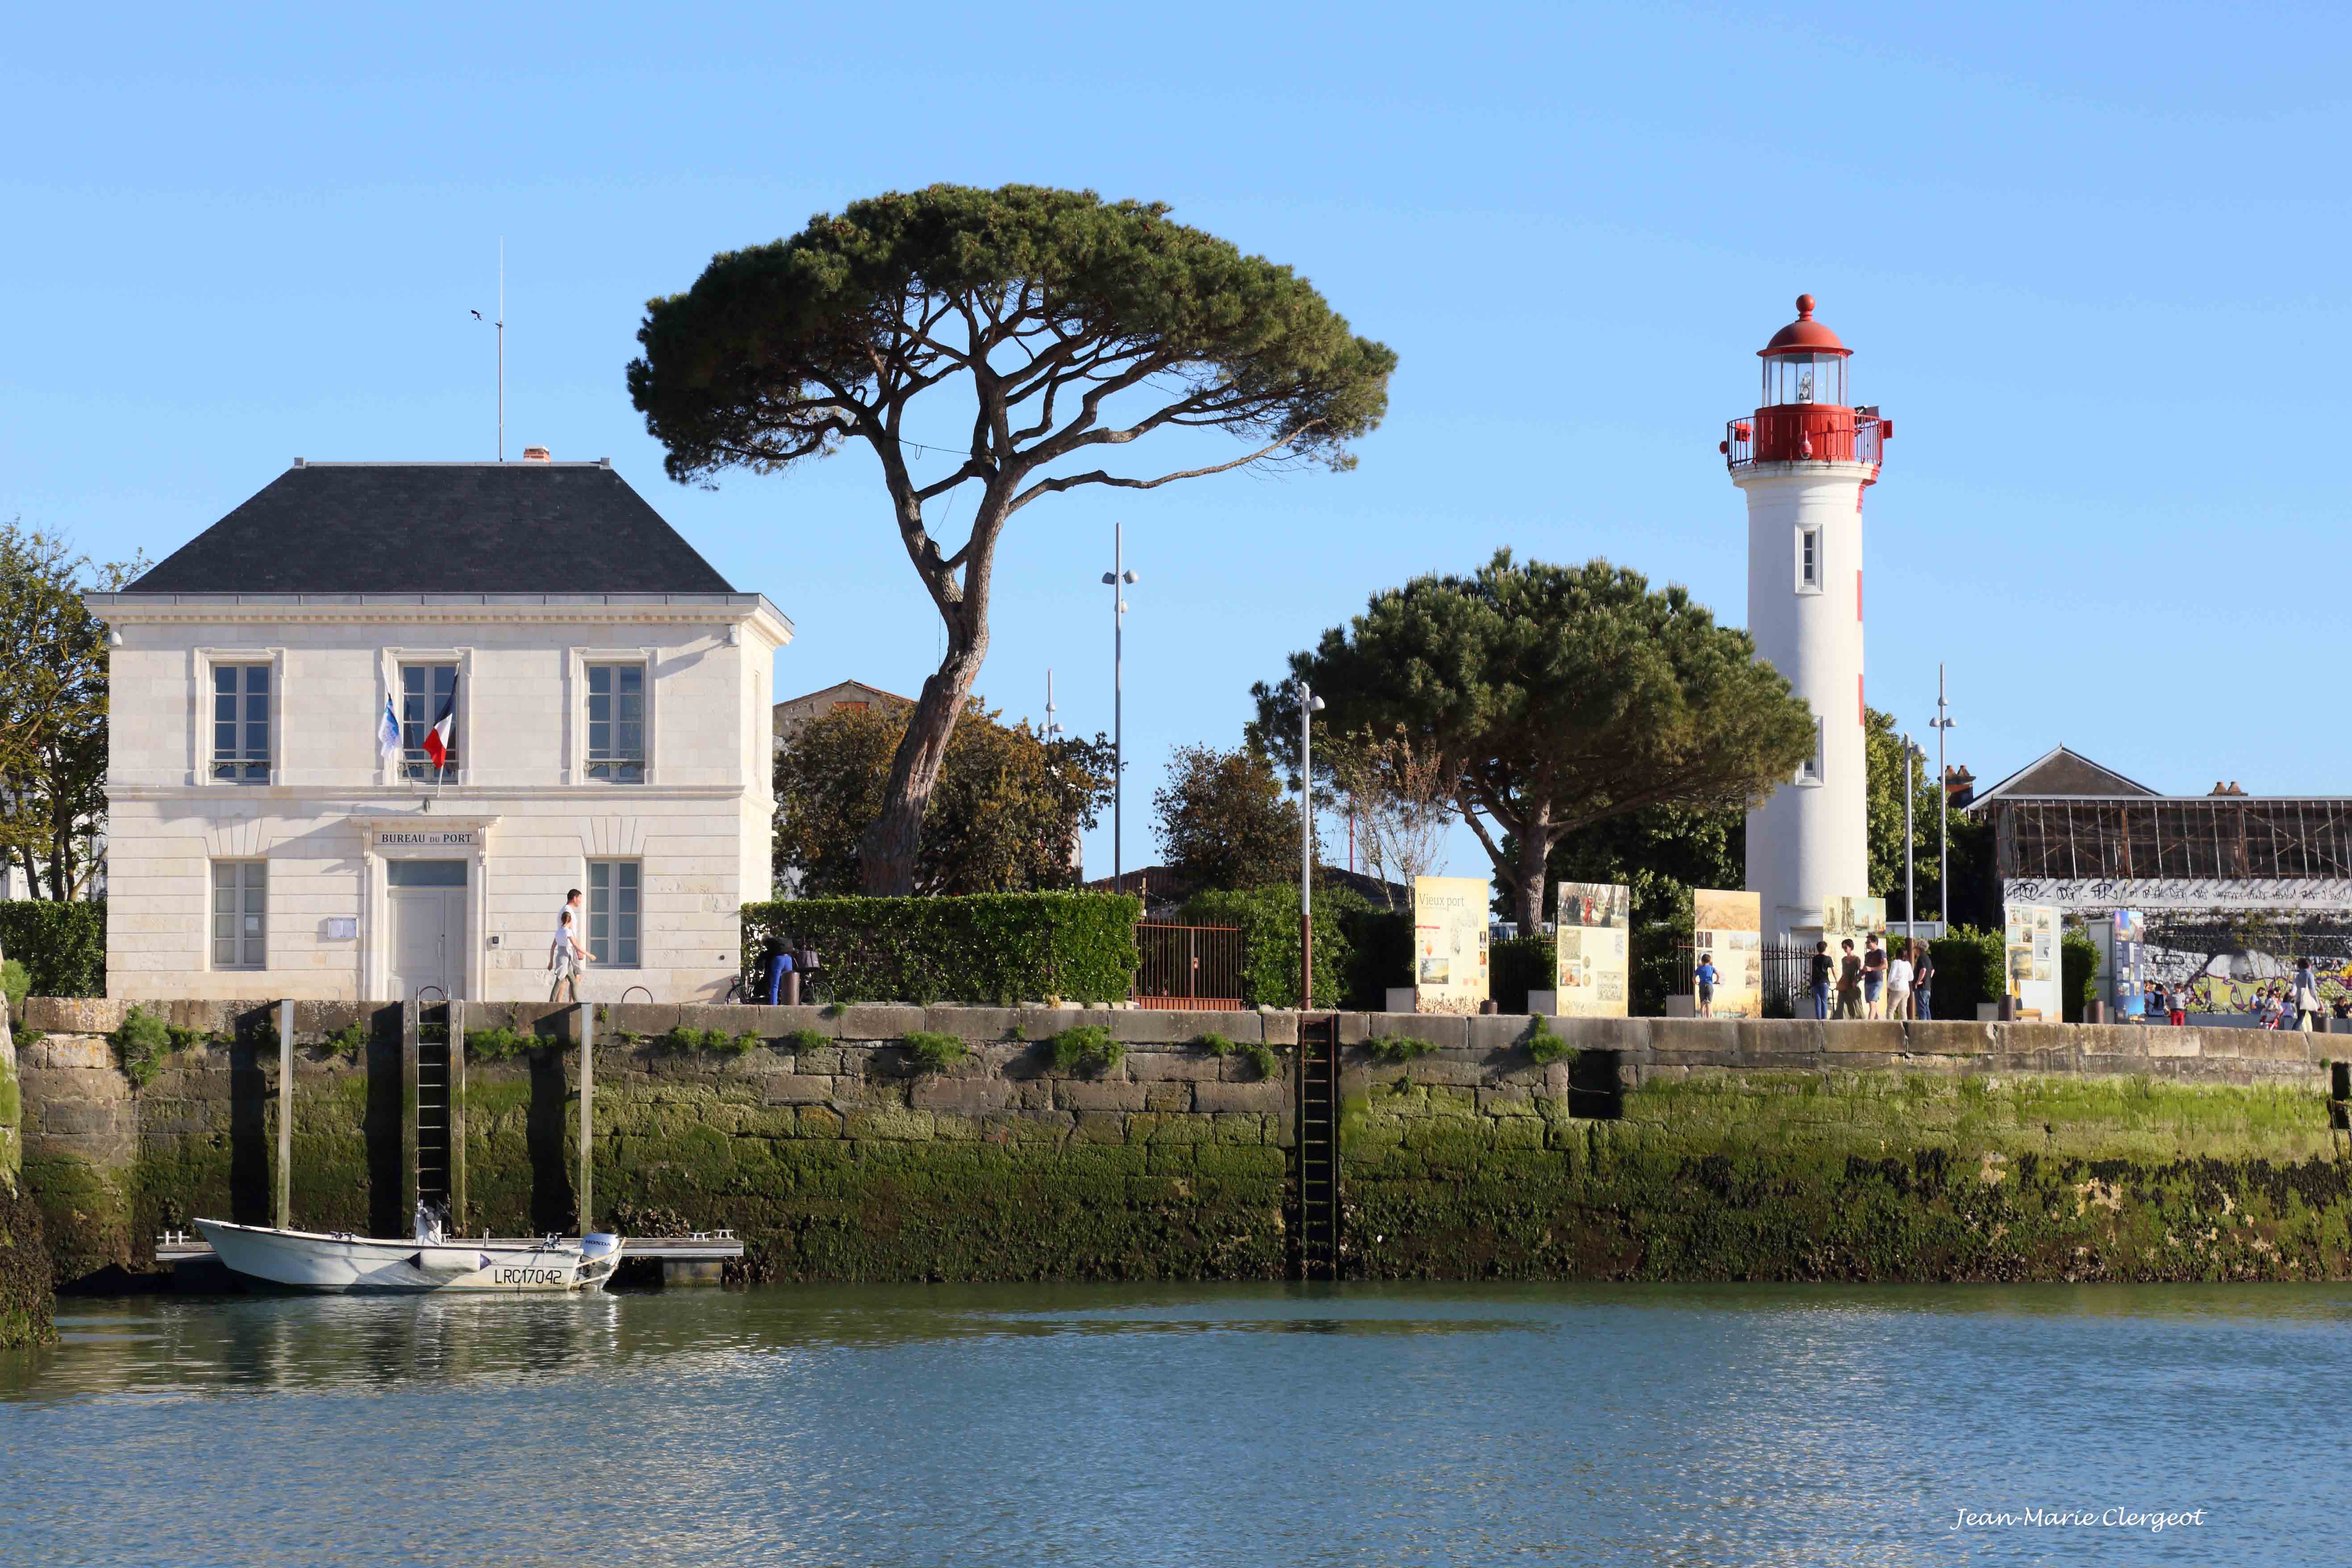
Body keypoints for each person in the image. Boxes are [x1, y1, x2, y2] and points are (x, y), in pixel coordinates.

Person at [549, 893, 591, 1003]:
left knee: (569, 979)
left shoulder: (560, 929)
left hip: (566, 954)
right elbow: (573, 942)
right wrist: (586, 953)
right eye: (580, 898)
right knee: (565, 979)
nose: (581, 901)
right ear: (575, 898)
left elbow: (553, 947)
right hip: (568, 952)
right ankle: (561, 1003)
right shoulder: (567, 914)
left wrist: (551, 962)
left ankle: (568, 1002)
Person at [1885, 939, 1914, 1021]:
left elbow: (1891, 976)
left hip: (1897, 989)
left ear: (1897, 954)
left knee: (1890, 1010)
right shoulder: (1908, 964)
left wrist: (1888, 986)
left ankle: (1891, 1029)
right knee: (1903, 1011)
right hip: (1906, 990)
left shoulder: (1896, 962)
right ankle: (1906, 1029)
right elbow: (1911, 978)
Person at [1835, 939, 1864, 1020]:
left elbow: (1861, 971)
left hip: (1853, 984)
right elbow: (1843, 972)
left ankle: (1856, 1022)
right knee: (1841, 1005)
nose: (1844, 949)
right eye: (1843, 947)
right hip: (1844, 984)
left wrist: (1857, 980)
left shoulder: (1857, 959)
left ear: (1851, 947)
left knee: (1855, 1006)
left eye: (1846, 947)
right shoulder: (1843, 960)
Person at [2294, 958, 2323, 1033]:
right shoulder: (2310, 975)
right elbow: (2312, 989)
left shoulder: (2297, 976)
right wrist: (2317, 1003)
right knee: (2315, 1018)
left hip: (2299, 999)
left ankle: (2293, 1031)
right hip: (2309, 999)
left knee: (2300, 1019)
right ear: (2309, 966)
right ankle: (2316, 1035)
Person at [1861, 935, 1887, 1019]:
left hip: (1877, 981)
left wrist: (1871, 969)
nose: (1867, 944)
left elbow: (1885, 965)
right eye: (1866, 943)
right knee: (1873, 1004)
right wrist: (1857, 979)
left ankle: (1869, 1025)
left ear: (1875, 943)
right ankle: (1877, 1020)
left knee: (1872, 1002)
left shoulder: (1881, 953)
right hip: (1868, 981)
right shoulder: (1868, 955)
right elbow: (1866, 968)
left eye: (1869, 942)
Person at [1808, 940, 1834, 1021]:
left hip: (1815, 982)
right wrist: (1837, 980)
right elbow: (1833, 970)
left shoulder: (1814, 959)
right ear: (1825, 948)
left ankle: (1819, 1020)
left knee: (1818, 1002)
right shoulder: (1828, 959)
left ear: (1818, 949)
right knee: (1824, 1001)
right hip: (1824, 981)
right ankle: (1824, 1019)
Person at [1912, 945, 1935, 1022]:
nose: (1914, 950)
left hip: (1921, 988)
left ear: (1918, 949)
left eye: (1914, 948)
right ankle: (1929, 1026)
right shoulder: (1927, 958)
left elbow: (1923, 970)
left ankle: (1923, 1028)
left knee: (1922, 1009)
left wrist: (1918, 982)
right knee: (1927, 1008)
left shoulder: (1921, 958)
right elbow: (1932, 971)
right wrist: (1928, 979)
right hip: (1928, 988)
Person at [1693, 952, 1718, 1018]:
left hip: (1702, 986)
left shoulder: (1699, 969)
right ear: (1710, 961)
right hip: (1709, 985)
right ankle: (1708, 1019)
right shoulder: (1712, 968)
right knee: (1708, 1003)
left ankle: (1702, 1018)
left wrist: (1696, 983)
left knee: (1702, 1003)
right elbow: (1718, 974)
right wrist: (1717, 981)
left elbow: (1693, 978)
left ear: (1702, 961)